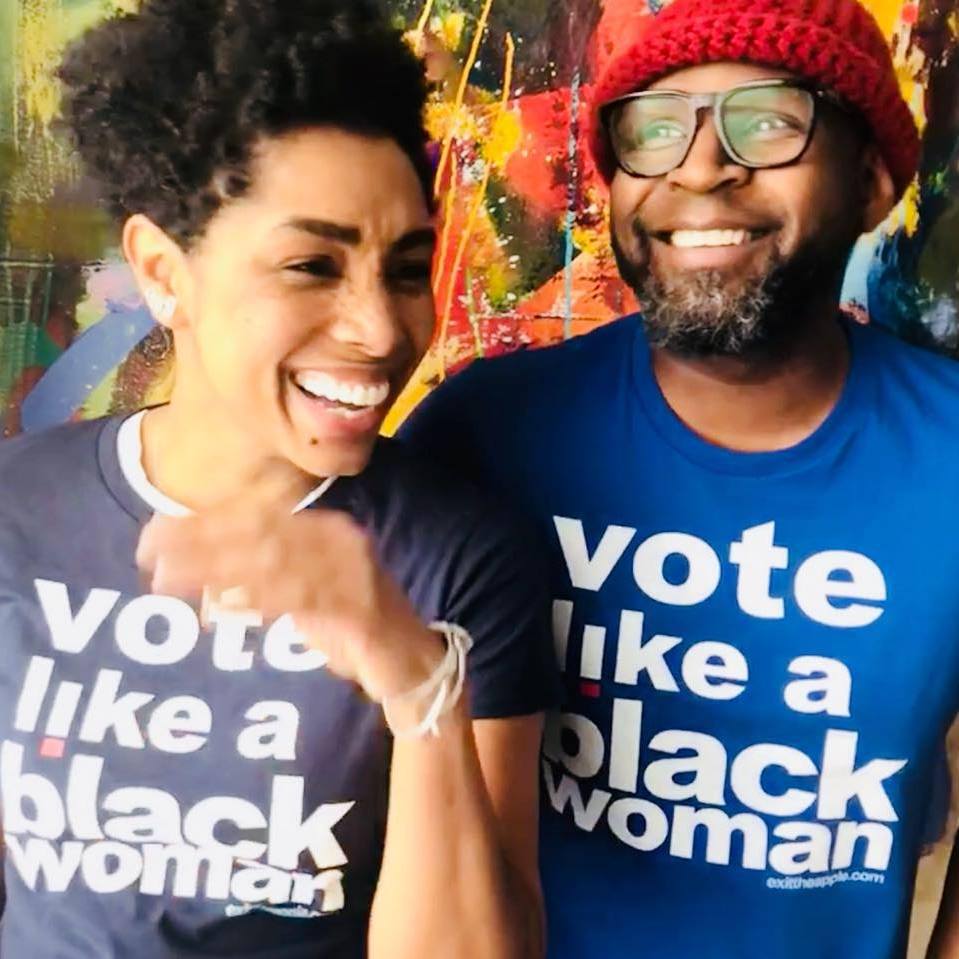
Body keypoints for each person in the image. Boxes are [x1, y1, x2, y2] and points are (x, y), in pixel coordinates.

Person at [401, 0, 959, 956]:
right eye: (654, 130)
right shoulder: (480, 432)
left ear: (870, 182)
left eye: (771, 120)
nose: (699, 166)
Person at [0, 1, 557, 956]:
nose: (381, 331)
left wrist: (416, 679)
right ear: (164, 272)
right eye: (310, 264)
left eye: (407, 268)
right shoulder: (18, 505)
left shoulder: (459, 555)